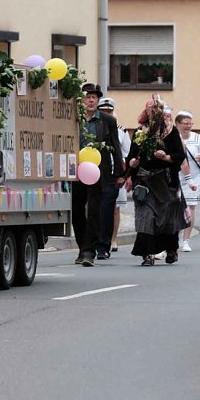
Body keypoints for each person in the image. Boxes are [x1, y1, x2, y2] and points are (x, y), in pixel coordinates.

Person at [125, 96, 187, 266]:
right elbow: (131, 155)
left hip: (165, 181)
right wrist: (132, 164)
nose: (154, 112)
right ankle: (147, 254)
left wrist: (166, 157)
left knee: (167, 218)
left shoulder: (170, 130)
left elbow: (180, 155)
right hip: (144, 181)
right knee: (145, 217)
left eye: (157, 109)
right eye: (151, 109)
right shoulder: (140, 131)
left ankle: (171, 250)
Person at [72, 84, 124, 267]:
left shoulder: (107, 120)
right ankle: (82, 247)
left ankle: (89, 251)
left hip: (97, 172)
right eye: (88, 97)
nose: (91, 100)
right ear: (81, 100)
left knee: (94, 211)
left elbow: (115, 146)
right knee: (76, 212)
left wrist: (119, 173)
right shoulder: (73, 119)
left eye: (94, 97)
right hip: (75, 171)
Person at [97, 97, 130, 252]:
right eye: (103, 111)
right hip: (95, 172)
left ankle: (111, 240)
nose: (106, 114)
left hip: (114, 173)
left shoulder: (121, 131)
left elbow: (125, 154)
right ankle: (96, 240)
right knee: (94, 208)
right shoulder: (92, 127)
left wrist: (124, 175)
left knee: (113, 208)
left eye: (109, 111)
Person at [175, 110, 200, 252]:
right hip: (177, 176)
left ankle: (186, 240)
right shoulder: (173, 137)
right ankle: (175, 238)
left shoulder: (196, 138)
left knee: (190, 206)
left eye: (190, 123)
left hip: (195, 176)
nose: (188, 126)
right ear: (177, 124)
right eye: (185, 123)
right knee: (176, 207)